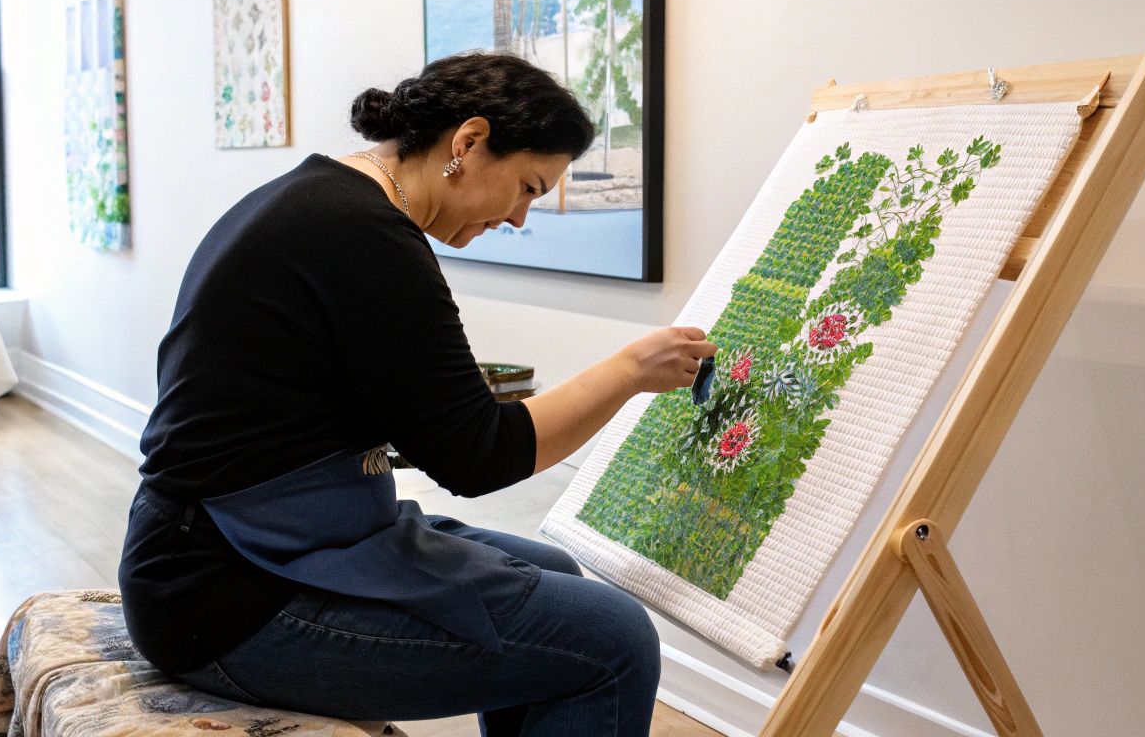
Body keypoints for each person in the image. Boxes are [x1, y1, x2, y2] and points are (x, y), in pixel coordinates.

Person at [118, 51, 716, 736]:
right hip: (223, 597)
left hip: (210, 552)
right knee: (614, 639)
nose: (521, 218)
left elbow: (434, 421)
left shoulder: (324, 199)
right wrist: (629, 373)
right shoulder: (362, 234)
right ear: (467, 143)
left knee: (553, 567)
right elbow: (477, 460)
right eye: (527, 186)